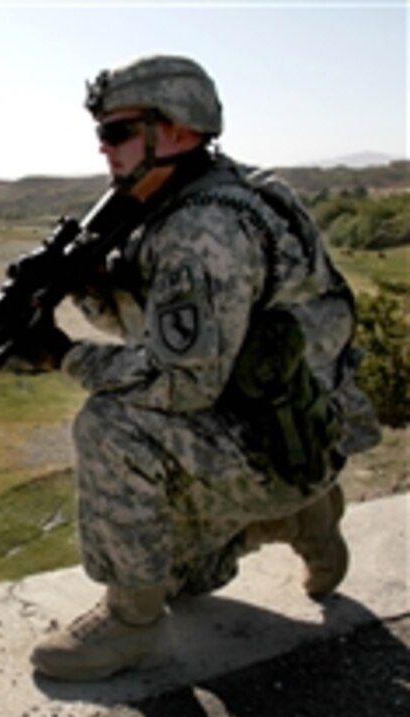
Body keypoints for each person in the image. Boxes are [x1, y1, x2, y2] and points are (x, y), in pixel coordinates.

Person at [21, 55, 382, 682]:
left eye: (118, 132)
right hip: (295, 429)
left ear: (180, 130)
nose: (105, 150)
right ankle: (302, 514)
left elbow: (181, 382)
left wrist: (64, 356)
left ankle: (133, 625)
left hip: (267, 440)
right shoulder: (232, 189)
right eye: (101, 134)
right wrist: (93, 287)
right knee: (187, 578)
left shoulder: (200, 230)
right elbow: (162, 336)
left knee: (110, 424)